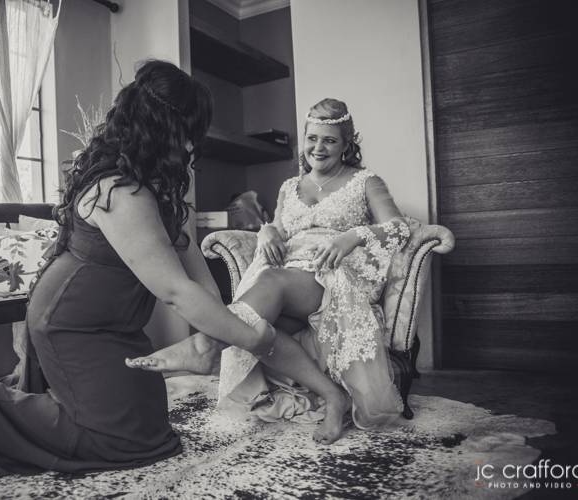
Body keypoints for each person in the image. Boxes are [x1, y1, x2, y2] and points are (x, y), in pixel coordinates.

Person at [0, 59, 276, 475]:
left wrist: (211, 339)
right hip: (72, 325)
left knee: (150, 434)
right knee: (121, 443)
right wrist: (252, 339)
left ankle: (65, 400)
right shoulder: (120, 191)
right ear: (169, 129)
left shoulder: (155, 187)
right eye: (191, 134)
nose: (194, 148)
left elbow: (196, 272)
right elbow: (175, 291)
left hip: (118, 327)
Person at [127, 98, 410, 444]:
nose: (318, 148)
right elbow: (278, 226)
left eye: (330, 140)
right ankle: (334, 396)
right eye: (312, 138)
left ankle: (205, 344)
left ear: (346, 144)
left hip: (334, 275)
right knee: (261, 330)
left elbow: (399, 228)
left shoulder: (365, 181)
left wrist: (352, 237)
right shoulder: (290, 187)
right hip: (292, 275)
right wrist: (267, 232)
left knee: (270, 280)